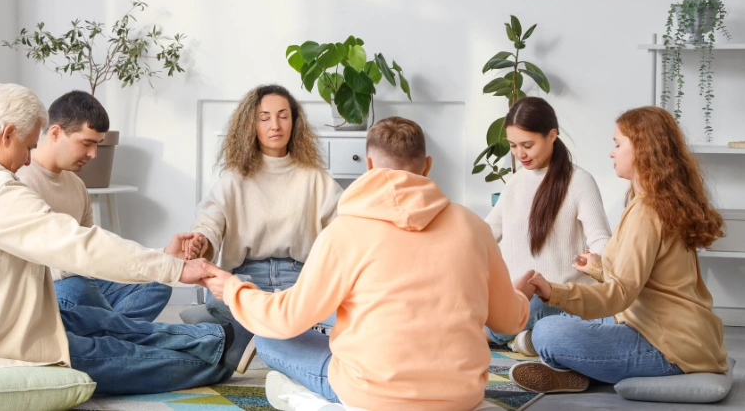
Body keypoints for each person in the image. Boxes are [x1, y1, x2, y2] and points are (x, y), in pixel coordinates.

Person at [0, 83, 248, 395]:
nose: (26, 159)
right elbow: (81, 247)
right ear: (7, 135)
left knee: (96, 322)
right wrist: (175, 269)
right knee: (108, 352)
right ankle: (218, 363)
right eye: (27, 147)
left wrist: (164, 263)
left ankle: (219, 338)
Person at [201, 116, 532, 411]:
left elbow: (285, 319)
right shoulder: (473, 226)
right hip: (461, 396)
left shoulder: (343, 232)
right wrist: (518, 296)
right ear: (427, 165)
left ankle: (310, 400)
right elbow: (508, 321)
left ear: (369, 165)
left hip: (375, 396)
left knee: (269, 338)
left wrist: (232, 288)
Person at [510, 106, 729, 393]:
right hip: (663, 327)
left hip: (668, 347)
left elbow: (619, 294)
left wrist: (555, 291)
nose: (611, 153)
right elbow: (647, 280)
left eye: (617, 144)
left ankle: (559, 357)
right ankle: (575, 370)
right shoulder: (654, 202)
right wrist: (596, 268)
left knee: (548, 331)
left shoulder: (647, 212)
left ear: (642, 150)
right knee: (546, 307)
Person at [181, 85, 342, 367]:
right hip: (246, 278)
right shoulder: (234, 177)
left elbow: (343, 227)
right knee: (219, 306)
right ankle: (270, 327)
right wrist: (201, 241)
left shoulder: (315, 178)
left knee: (338, 309)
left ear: (295, 122)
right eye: (264, 118)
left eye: (283, 116)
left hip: (299, 277)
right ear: (250, 125)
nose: (275, 125)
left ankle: (244, 329)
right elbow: (210, 222)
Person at [17, 91, 177, 322]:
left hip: (82, 278)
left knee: (158, 281)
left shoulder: (77, 186)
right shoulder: (20, 181)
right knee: (76, 290)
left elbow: (94, 250)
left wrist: (163, 256)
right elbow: (30, 263)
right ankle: (116, 331)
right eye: (87, 143)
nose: (93, 154)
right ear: (55, 133)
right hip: (47, 285)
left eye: (97, 145)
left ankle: (110, 333)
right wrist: (82, 267)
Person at [485, 97, 612, 356]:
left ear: (552, 136)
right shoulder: (515, 183)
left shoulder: (579, 181)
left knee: (530, 306)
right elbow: (485, 233)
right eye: (513, 146)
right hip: (518, 297)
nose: (520, 154)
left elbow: (601, 239)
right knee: (490, 304)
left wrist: (599, 261)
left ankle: (504, 335)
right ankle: (524, 338)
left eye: (527, 145)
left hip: (557, 297)